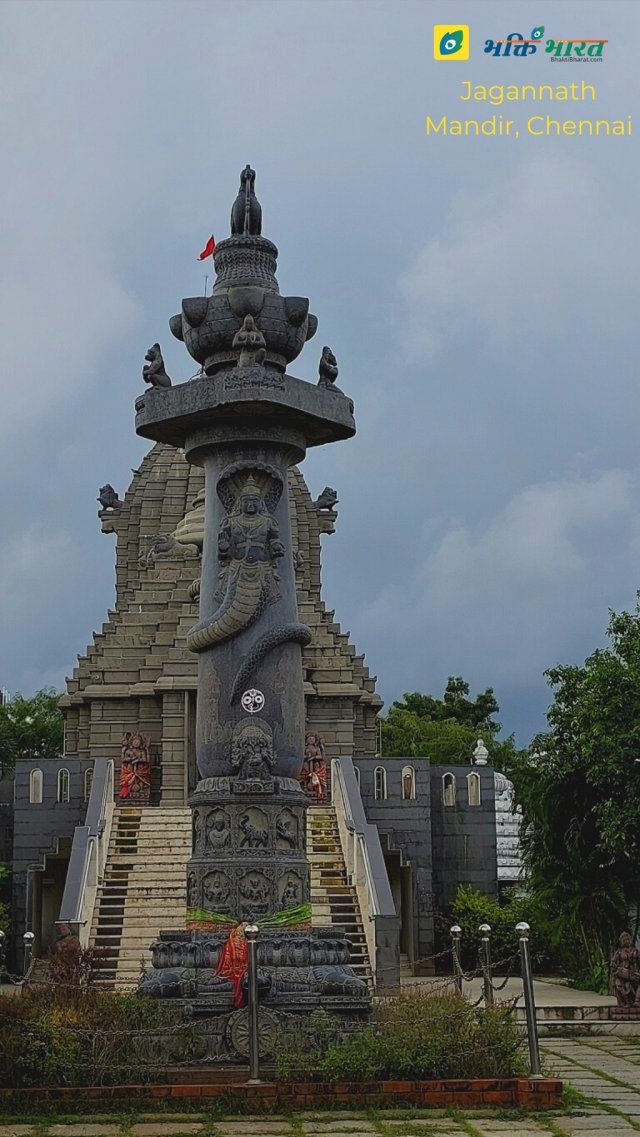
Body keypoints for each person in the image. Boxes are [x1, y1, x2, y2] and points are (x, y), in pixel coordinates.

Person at [612, 932, 640, 1006]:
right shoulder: (619, 952)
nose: (626, 941)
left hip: (634, 973)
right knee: (621, 984)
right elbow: (613, 964)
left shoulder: (635, 951)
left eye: (628, 939)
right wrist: (617, 968)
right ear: (621, 941)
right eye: (624, 940)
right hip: (623, 973)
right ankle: (627, 1002)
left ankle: (637, 1000)